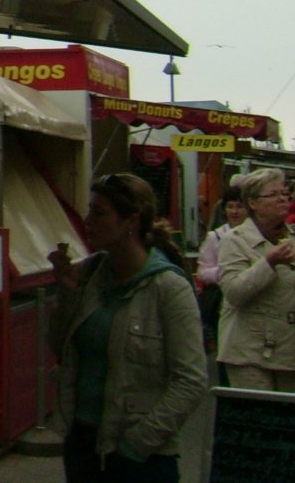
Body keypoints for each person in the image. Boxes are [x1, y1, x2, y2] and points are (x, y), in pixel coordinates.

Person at [48, 173, 207, 483]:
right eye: (89, 210)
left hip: (139, 455)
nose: (87, 220)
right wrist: (66, 294)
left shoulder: (168, 287)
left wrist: (138, 443)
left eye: (99, 212)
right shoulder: (91, 275)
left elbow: (190, 380)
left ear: (130, 222)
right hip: (83, 442)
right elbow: (58, 347)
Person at [216, 166, 295, 391]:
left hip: (289, 352)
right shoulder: (235, 240)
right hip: (249, 353)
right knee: (259, 420)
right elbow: (234, 293)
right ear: (253, 203)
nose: (283, 199)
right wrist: (268, 263)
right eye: (273, 195)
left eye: (285, 193)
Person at [194, 177, 246, 355]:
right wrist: (225, 271)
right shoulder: (215, 237)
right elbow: (202, 272)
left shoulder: (255, 234)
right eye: (230, 206)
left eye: (239, 206)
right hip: (220, 300)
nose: (235, 211)